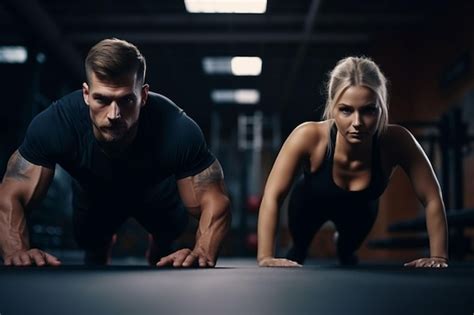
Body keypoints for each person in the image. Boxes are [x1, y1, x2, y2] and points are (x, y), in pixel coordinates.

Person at [0, 38, 231, 267]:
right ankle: (101, 243)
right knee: (92, 248)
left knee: (166, 241)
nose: (114, 114)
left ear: (143, 96)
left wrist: (203, 250)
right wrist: (17, 250)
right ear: (86, 94)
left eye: (126, 100)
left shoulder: (178, 129)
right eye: (102, 99)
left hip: (156, 195)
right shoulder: (55, 124)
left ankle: (159, 243)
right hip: (94, 195)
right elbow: (10, 193)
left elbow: (215, 200)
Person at [257, 56, 448, 268]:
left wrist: (438, 257)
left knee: (347, 253)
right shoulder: (309, 136)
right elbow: (273, 196)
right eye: (346, 110)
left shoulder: (397, 141)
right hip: (308, 206)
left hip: (360, 212)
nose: (357, 123)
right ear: (332, 107)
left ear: (381, 108)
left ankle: (343, 245)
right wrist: (265, 256)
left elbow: (431, 197)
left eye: (368, 110)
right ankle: (300, 247)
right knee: (298, 250)